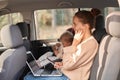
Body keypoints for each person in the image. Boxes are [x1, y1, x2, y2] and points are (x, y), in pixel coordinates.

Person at [24, 10, 98, 80]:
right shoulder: (84, 42)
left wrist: (74, 44)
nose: (73, 27)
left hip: (70, 78)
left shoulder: (89, 44)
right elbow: (74, 62)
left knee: (28, 78)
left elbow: (70, 65)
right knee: (30, 74)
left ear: (86, 26)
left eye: (75, 24)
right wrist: (62, 64)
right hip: (68, 74)